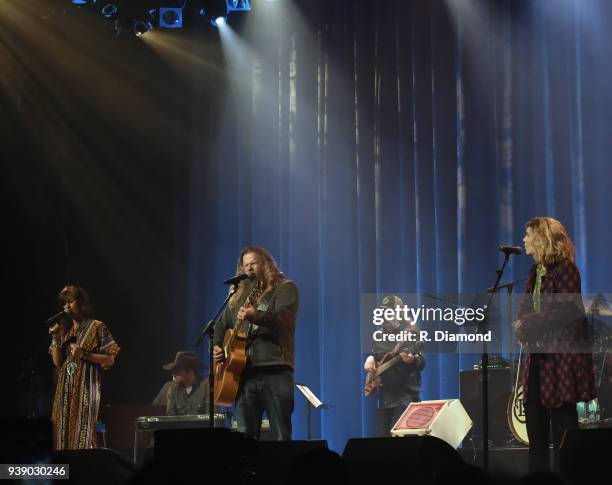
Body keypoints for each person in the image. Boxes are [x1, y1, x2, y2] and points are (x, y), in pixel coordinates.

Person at [513, 217, 596, 472]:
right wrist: (521, 323)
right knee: (535, 430)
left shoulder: (566, 270)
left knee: (563, 429)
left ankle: (570, 477)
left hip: (561, 361)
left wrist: (527, 324)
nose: (524, 240)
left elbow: (566, 310)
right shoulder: (534, 273)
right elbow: (524, 309)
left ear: (542, 238)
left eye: (528, 235)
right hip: (538, 359)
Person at [213, 245, 298, 440]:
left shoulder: (285, 288)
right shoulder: (237, 294)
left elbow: (284, 320)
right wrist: (217, 345)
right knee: (245, 437)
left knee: (280, 435)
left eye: (254, 263)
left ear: (266, 264)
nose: (249, 268)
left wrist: (255, 316)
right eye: (245, 265)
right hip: (243, 375)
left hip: (275, 370)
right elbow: (220, 325)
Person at [48, 285, 120, 450]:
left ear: (81, 303)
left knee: (83, 436)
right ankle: (65, 473)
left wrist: (85, 354)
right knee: (60, 437)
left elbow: (110, 359)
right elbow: (57, 362)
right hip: (64, 393)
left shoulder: (97, 327)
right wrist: (55, 338)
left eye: (70, 302)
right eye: (63, 304)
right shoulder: (64, 330)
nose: (66, 307)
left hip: (86, 392)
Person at [363, 295, 425, 437]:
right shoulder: (378, 336)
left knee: (399, 446)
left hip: (405, 400)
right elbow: (377, 358)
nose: (387, 315)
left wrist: (412, 360)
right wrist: (370, 358)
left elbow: (422, 362)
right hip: (385, 399)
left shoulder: (411, 333)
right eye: (385, 311)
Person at [155, 351, 210, 415]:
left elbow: (211, 418)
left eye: (177, 370)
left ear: (190, 372)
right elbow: (167, 416)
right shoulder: (172, 388)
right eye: (173, 370)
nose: (173, 373)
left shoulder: (207, 387)